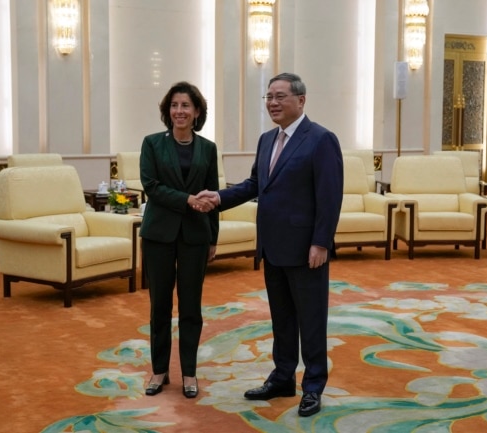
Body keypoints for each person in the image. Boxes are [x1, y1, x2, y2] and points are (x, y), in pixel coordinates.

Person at [197, 73, 343, 416]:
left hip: (307, 250)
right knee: (282, 319)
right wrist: (218, 196)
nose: (272, 103)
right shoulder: (266, 140)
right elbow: (254, 185)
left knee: (311, 320)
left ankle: (313, 386)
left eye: (280, 96)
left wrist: (321, 242)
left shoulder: (321, 139)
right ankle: (282, 377)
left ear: (301, 100)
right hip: (273, 247)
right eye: (268, 97)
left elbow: (330, 196)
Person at [139, 81, 219, 399]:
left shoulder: (208, 149)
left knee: (190, 307)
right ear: (167, 110)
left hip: (196, 237)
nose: (179, 111)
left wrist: (213, 237)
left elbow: (213, 195)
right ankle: (159, 371)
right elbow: (152, 186)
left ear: (197, 111)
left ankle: (189, 373)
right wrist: (187, 200)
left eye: (186, 105)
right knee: (159, 306)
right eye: (174, 105)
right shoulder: (152, 144)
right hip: (158, 235)